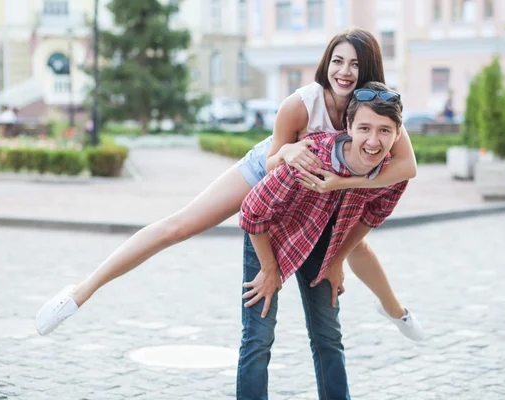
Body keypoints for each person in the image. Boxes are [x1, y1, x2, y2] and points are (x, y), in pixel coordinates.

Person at [35, 28, 421, 340]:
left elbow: (406, 168)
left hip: (326, 184)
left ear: (368, 68)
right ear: (326, 63)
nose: (345, 71)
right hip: (269, 168)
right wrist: (286, 153)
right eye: (337, 60)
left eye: (355, 64)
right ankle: (81, 291)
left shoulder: (378, 111)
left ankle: (394, 310)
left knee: (357, 248)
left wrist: (342, 182)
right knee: (179, 226)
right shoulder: (301, 104)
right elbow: (271, 162)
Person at [238, 82, 417, 400]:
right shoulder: (310, 158)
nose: (373, 141)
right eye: (364, 128)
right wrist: (268, 269)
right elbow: (252, 213)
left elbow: (370, 218)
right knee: (259, 336)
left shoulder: (391, 175)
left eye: (385, 131)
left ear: (397, 134)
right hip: (269, 236)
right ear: (348, 127)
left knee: (328, 336)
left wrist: (336, 260)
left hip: (323, 240)